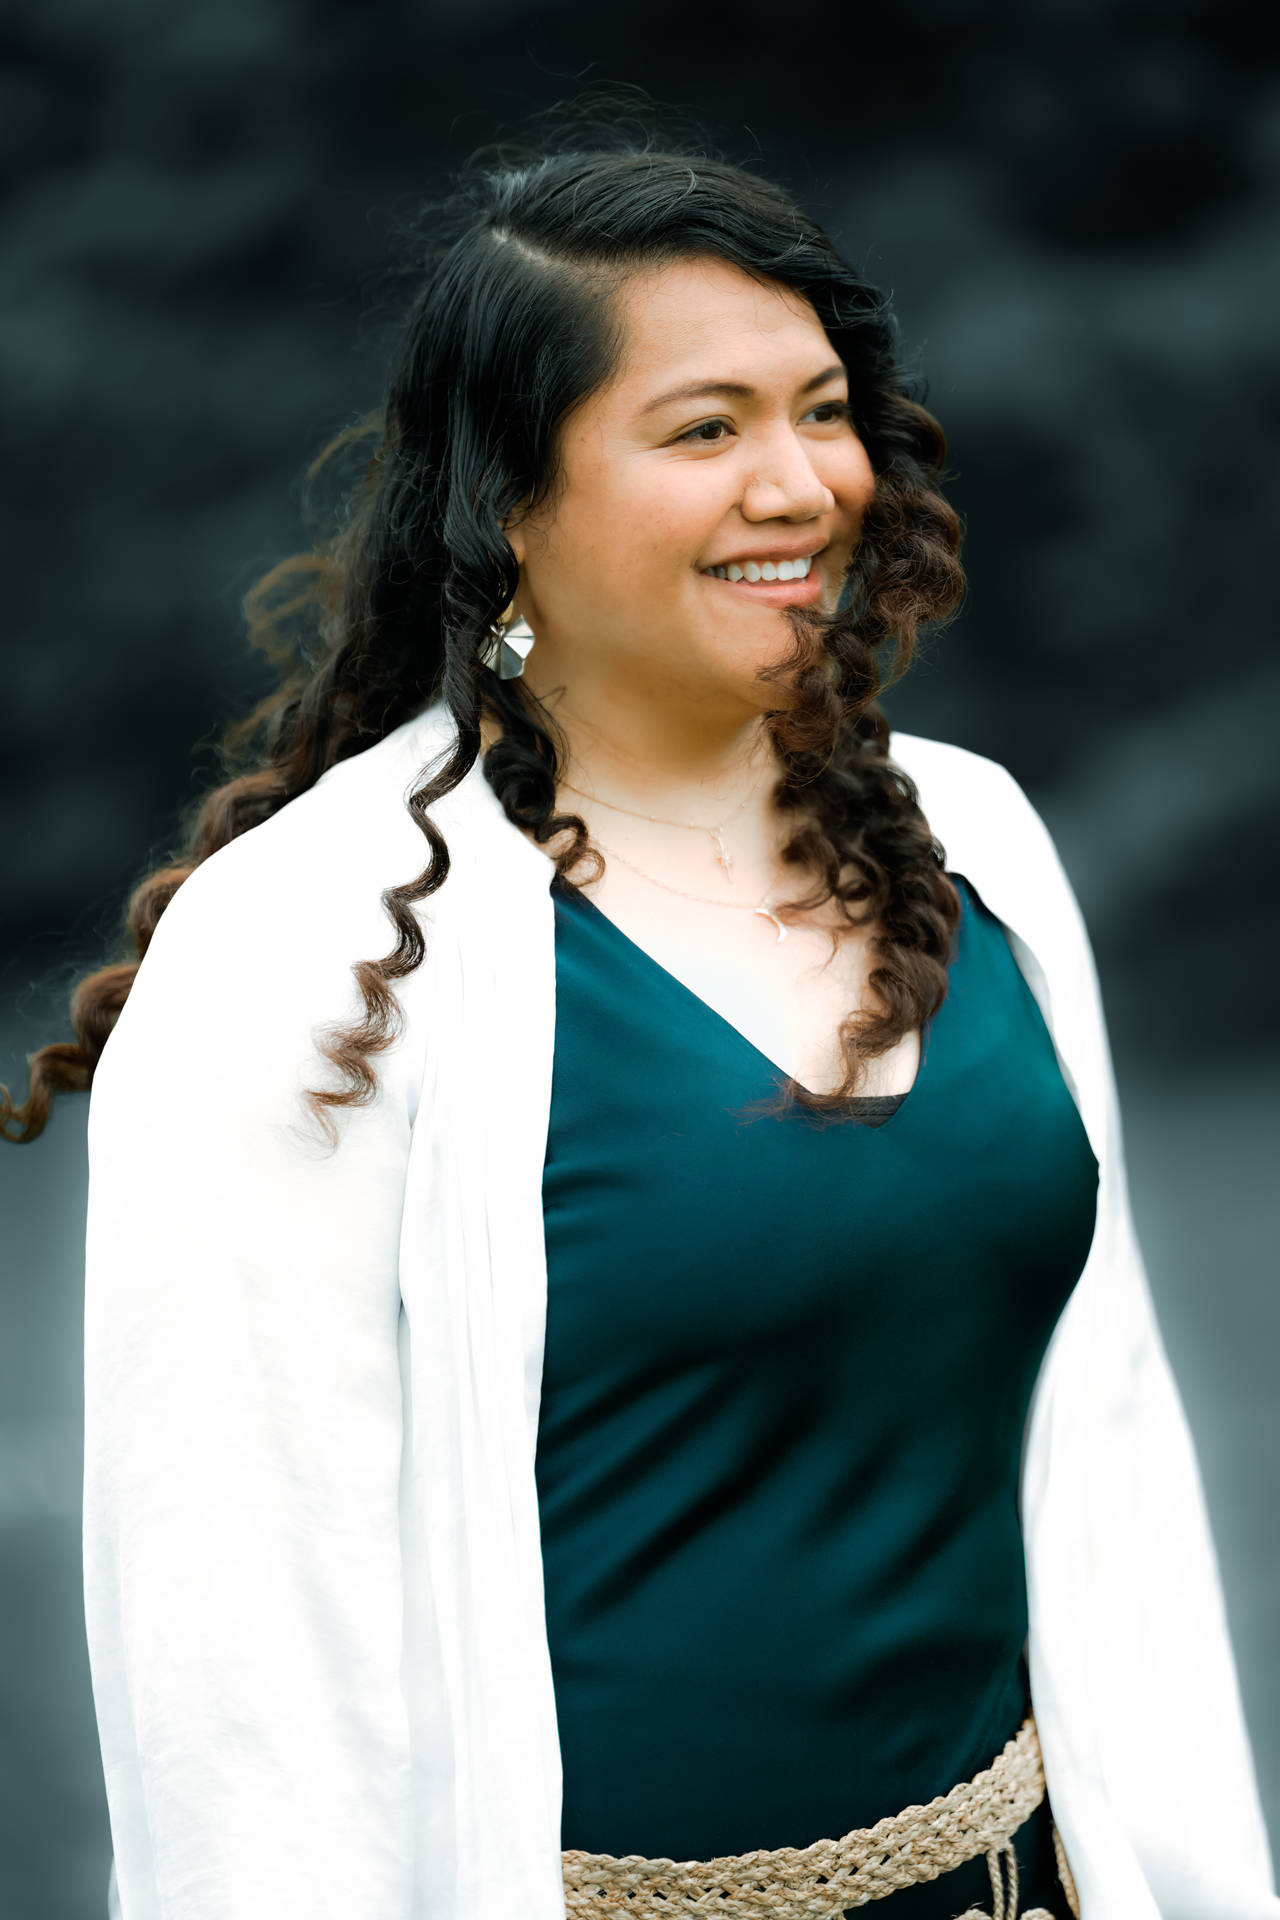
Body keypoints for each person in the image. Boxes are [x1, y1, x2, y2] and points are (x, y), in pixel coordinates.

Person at [5, 110, 1275, 1920]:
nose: (804, 483)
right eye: (705, 428)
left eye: (822, 408)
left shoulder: (976, 840)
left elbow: (1114, 1456)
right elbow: (246, 1679)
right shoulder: (303, 958)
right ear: (509, 504)